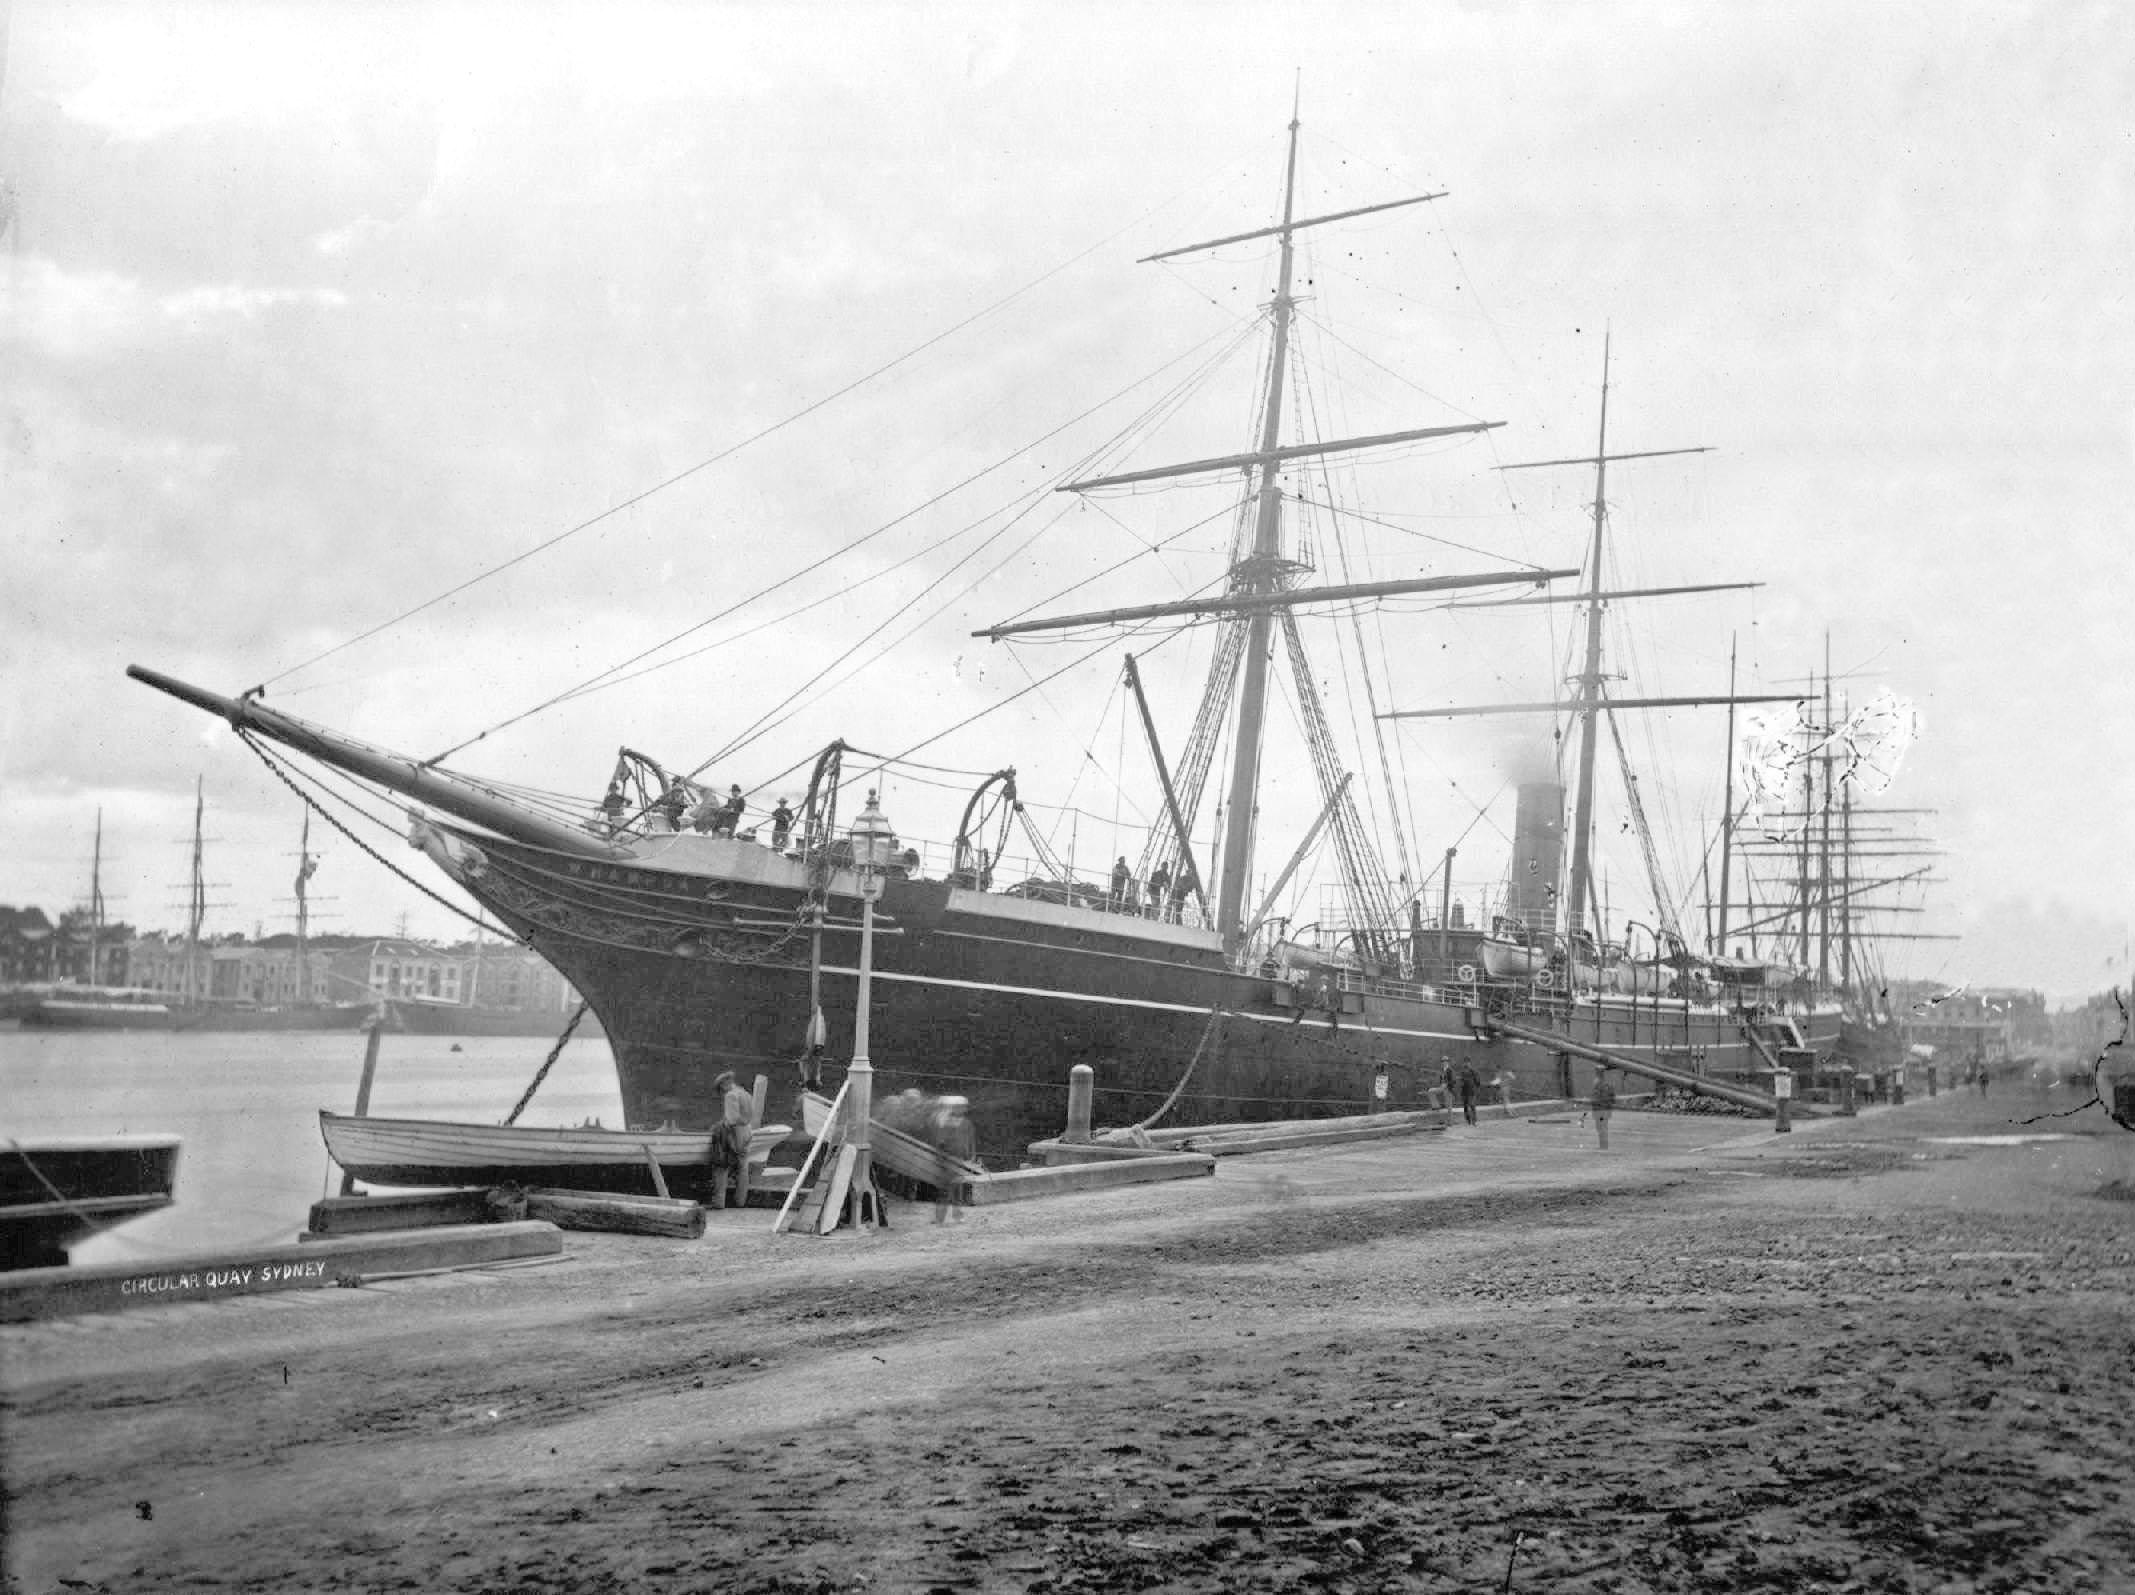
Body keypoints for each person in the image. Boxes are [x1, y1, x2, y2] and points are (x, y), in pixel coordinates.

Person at [710, 1070, 754, 1209]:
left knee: (721, 1166)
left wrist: (719, 1126)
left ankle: (719, 1203)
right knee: (743, 1168)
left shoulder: (730, 1095)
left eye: (720, 1089)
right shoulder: (745, 1093)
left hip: (735, 1134)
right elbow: (748, 1115)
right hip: (747, 1131)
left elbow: (732, 1119)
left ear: (724, 1084)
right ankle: (740, 1202)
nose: (721, 1093)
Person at [929, 1096, 976, 1224]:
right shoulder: (944, 1122)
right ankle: (940, 1217)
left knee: (957, 1189)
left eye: (963, 1107)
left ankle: (957, 1215)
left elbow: (970, 1140)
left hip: (960, 1160)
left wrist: (971, 1155)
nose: (962, 1109)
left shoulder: (966, 1123)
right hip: (946, 1160)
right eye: (959, 1107)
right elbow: (939, 1142)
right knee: (944, 1189)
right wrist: (941, 1157)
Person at [1591, 1066, 1617, 1150]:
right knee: (1603, 1127)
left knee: (1601, 1127)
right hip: (1605, 1109)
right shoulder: (1608, 1083)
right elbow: (1613, 1097)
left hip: (1599, 1110)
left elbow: (1595, 1097)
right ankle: (1603, 1145)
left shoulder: (1597, 1083)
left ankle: (1603, 1145)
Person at [1455, 1059, 1482, 1126]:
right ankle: (1468, 1120)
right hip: (1464, 1091)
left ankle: (1474, 1120)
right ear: (1464, 1063)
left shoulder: (1473, 1071)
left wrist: (1476, 1089)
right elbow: (1460, 1081)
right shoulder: (1462, 1072)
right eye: (1465, 1063)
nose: (1466, 1064)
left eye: (1468, 1063)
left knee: (1472, 1105)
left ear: (1470, 1063)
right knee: (1465, 1106)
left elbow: (1478, 1081)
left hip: (1472, 1091)